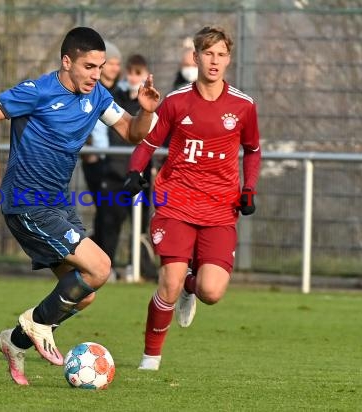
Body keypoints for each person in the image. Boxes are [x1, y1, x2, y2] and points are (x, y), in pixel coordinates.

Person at [0, 27, 160, 385]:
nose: (96, 75)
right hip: (28, 202)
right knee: (100, 268)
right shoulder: (38, 91)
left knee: (81, 295)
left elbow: (133, 132)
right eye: (89, 66)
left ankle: (14, 340)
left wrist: (145, 111)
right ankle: (37, 324)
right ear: (67, 61)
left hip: (57, 204)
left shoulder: (98, 96)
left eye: (100, 67)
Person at [123, 26, 261, 371]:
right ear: (196, 57)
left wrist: (249, 189)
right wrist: (135, 171)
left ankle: (191, 286)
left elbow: (253, 150)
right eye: (208, 54)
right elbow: (149, 143)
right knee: (167, 281)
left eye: (221, 55)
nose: (214, 61)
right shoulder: (176, 101)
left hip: (220, 207)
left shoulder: (243, 106)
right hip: (175, 201)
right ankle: (150, 358)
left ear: (229, 59)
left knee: (211, 292)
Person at [92, 54, 158, 282]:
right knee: (109, 220)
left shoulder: (151, 102)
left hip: (139, 173)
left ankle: (137, 266)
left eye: (138, 73)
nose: (132, 77)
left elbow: (154, 134)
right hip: (113, 170)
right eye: (130, 72)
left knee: (138, 223)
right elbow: (102, 128)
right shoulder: (112, 98)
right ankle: (105, 267)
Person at [81, 40, 122, 195]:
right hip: (95, 160)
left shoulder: (121, 93)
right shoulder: (88, 91)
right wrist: (88, 152)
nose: (115, 68)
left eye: (118, 64)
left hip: (117, 161)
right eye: (111, 63)